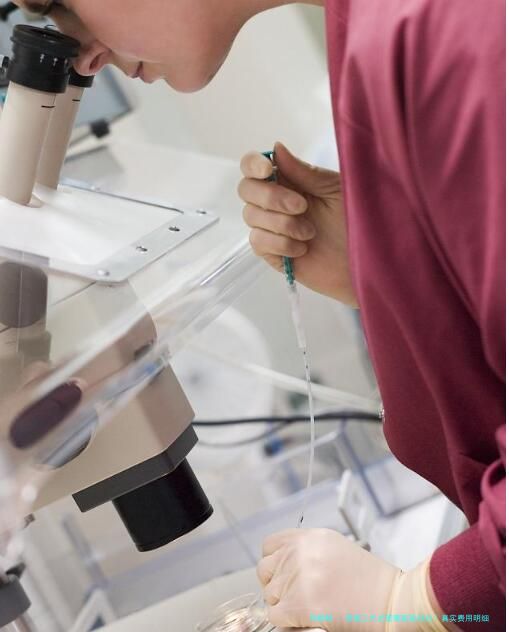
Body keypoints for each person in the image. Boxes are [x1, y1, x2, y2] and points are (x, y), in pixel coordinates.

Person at [14, 1, 505, 630]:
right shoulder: (382, 31)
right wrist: (398, 273)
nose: (83, 58)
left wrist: (416, 602)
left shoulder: (437, 30)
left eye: (61, 4)